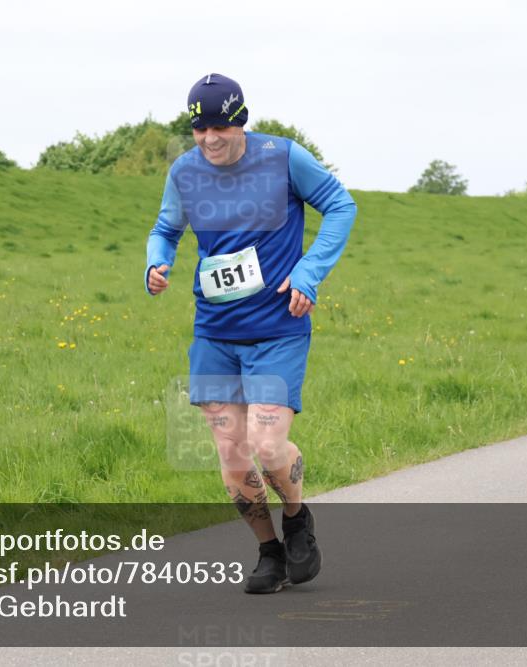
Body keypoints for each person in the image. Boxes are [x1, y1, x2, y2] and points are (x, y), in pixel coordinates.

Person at [145, 73, 357, 594]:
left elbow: (341, 207)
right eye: (199, 129)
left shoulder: (284, 158)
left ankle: (297, 517)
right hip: (215, 332)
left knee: (266, 443)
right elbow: (167, 228)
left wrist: (308, 273)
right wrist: (157, 262)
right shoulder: (184, 171)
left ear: (241, 121)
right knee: (232, 456)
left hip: (277, 329)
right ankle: (269, 551)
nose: (210, 138)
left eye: (220, 126)